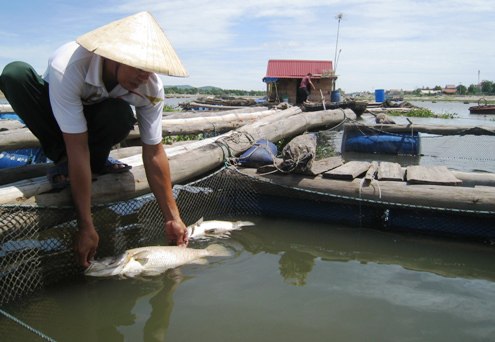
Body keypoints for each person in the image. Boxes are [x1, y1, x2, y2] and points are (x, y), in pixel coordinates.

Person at [0, 11, 190, 268]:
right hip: (55, 118)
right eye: (138, 66)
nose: (144, 76)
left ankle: (97, 162)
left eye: (150, 69)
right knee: (15, 74)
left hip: (96, 124)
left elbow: (154, 152)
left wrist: (172, 217)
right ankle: (63, 159)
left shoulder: (150, 87)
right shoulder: (68, 66)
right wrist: (85, 225)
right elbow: (77, 147)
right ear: (115, 56)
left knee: (119, 114)